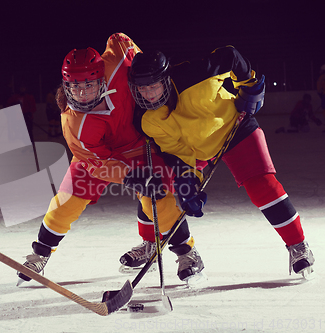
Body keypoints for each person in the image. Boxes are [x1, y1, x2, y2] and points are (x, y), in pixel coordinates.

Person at [18, 33, 205, 286]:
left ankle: (188, 254)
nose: (82, 94)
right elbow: (98, 164)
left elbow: (121, 39)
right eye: (75, 87)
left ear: (101, 79)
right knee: (66, 202)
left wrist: (141, 72)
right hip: (98, 158)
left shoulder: (116, 61)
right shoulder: (73, 122)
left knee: (158, 198)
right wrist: (129, 177)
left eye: (89, 86)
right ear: (66, 85)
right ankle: (39, 254)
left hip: (139, 146)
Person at [128, 47, 315, 276]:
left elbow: (231, 56)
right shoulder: (146, 118)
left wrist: (249, 84)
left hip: (235, 129)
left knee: (261, 186)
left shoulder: (195, 74)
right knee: (155, 186)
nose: (148, 94)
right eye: (142, 88)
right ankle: (166, 247)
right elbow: (176, 150)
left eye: (153, 86)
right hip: (197, 149)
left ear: (165, 79)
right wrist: (187, 181)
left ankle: (298, 245)